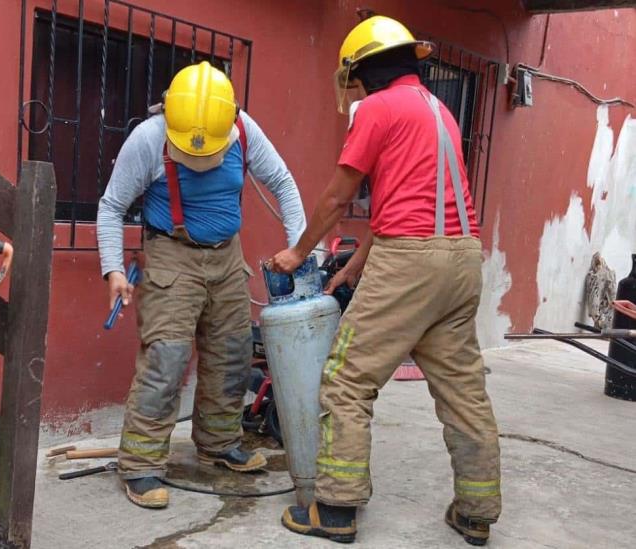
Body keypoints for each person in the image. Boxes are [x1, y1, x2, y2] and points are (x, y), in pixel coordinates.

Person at [270, 16, 501, 546]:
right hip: (463, 259)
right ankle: (476, 511)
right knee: (464, 393)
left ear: (363, 72)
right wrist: (355, 265)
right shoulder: (439, 110)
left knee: (347, 380)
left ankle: (333, 510)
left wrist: (296, 252)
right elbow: (416, 204)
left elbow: (337, 198)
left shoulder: (376, 109)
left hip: (411, 264)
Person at [97, 61, 306, 509]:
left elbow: (284, 185)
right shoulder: (149, 139)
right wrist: (113, 269)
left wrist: (299, 249)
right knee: (166, 358)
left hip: (227, 255)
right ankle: (140, 464)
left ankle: (218, 443)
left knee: (232, 353)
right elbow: (112, 205)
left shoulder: (244, 130)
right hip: (172, 254)